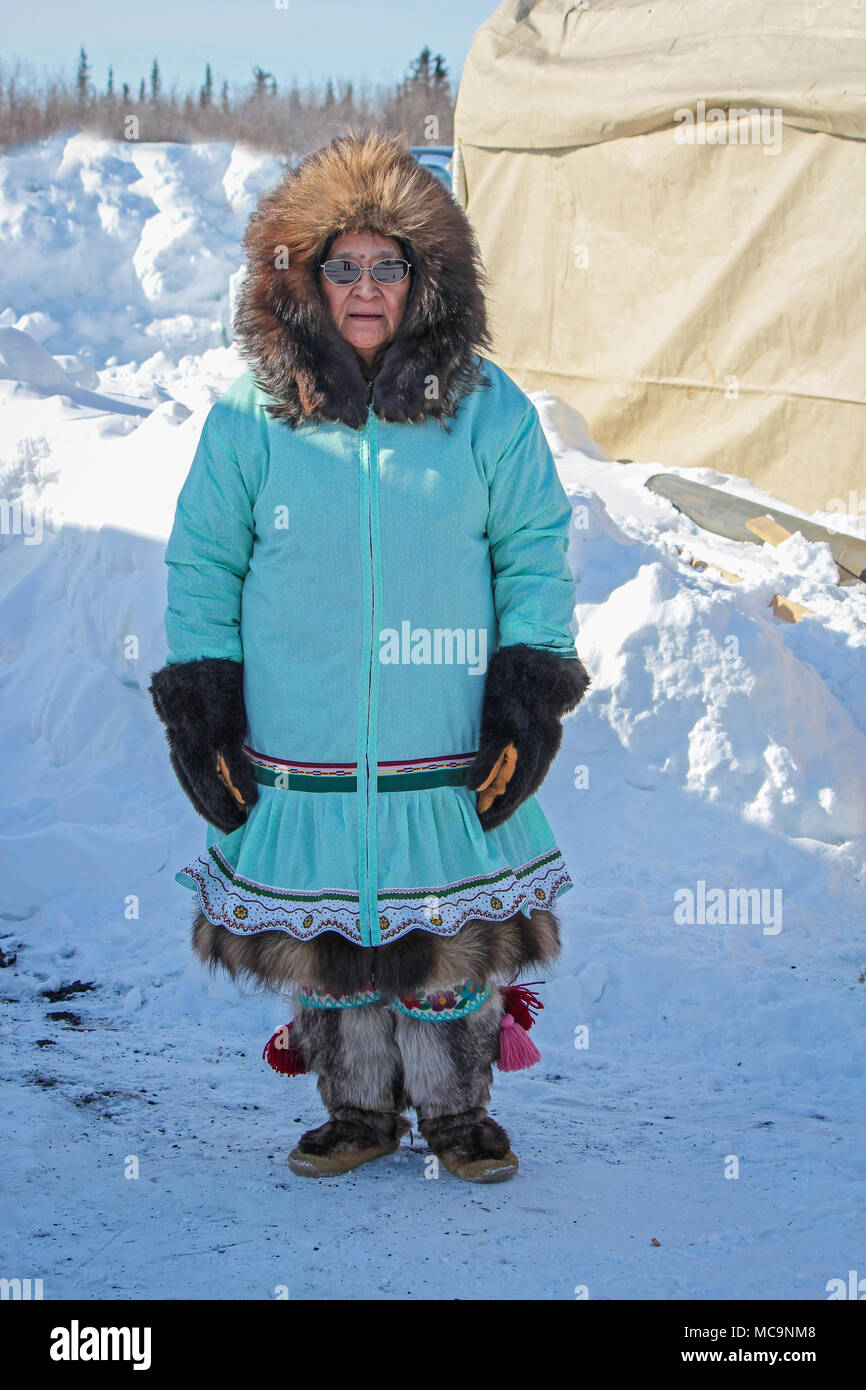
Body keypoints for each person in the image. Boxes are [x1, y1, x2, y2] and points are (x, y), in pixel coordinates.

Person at [149, 129, 590, 1183]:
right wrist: (204, 701)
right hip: (298, 743)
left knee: (444, 948)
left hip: (440, 743)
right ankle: (355, 1109)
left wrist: (528, 692)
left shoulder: (487, 410)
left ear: (423, 278)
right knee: (330, 945)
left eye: (385, 266)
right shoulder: (246, 419)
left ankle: (453, 1114)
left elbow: (532, 550)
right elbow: (205, 559)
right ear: (298, 279)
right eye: (337, 265)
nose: (361, 288)